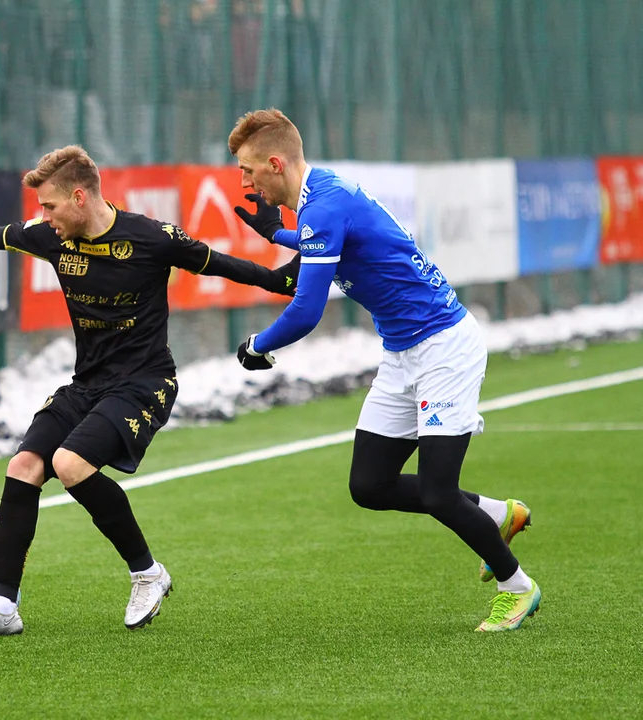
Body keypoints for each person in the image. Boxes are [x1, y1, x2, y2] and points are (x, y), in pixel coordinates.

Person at [0, 145, 299, 637]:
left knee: (70, 464)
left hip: (146, 382)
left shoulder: (151, 237)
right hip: (88, 384)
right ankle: (3, 606)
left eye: (49, 206)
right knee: (24, 466)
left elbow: (220, 263)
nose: (42, 217)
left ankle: (148, 574)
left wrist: (279, 280)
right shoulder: (52, 238)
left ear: (78, 197)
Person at [228, 109, 539, 633]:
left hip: (444, 348)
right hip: (401, 354)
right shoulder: (319, 196)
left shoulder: (323, 204)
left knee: (440, 492)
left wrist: (256, 346)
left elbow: (305, 310)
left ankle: (518, 588)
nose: (243, 181)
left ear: (275, 163)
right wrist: (281, 235)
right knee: (370, 485)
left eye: (247, 170)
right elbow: (325, 243)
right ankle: (497, 515)